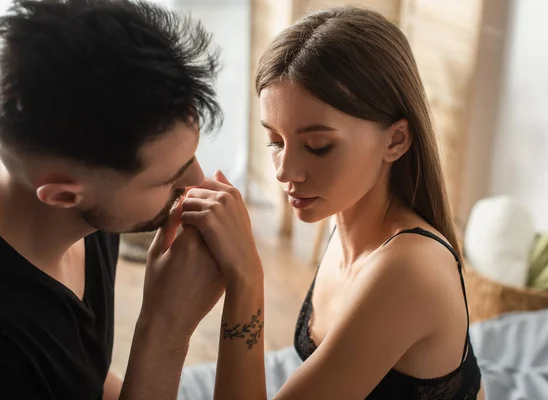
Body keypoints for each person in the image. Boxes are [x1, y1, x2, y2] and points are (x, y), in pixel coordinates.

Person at [182, 5, 484, 399]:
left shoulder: (410, 267)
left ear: (395, 141)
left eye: (318, 147)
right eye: (275, 141)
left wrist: (245, 278)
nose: (284, 172)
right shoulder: (347, 224)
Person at [0, 0, 226, 399]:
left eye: (189, 158)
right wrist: (166, 326)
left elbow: (79, 377)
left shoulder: (91, 217)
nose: (197, 181)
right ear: (64, 195)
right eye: (167, 178)